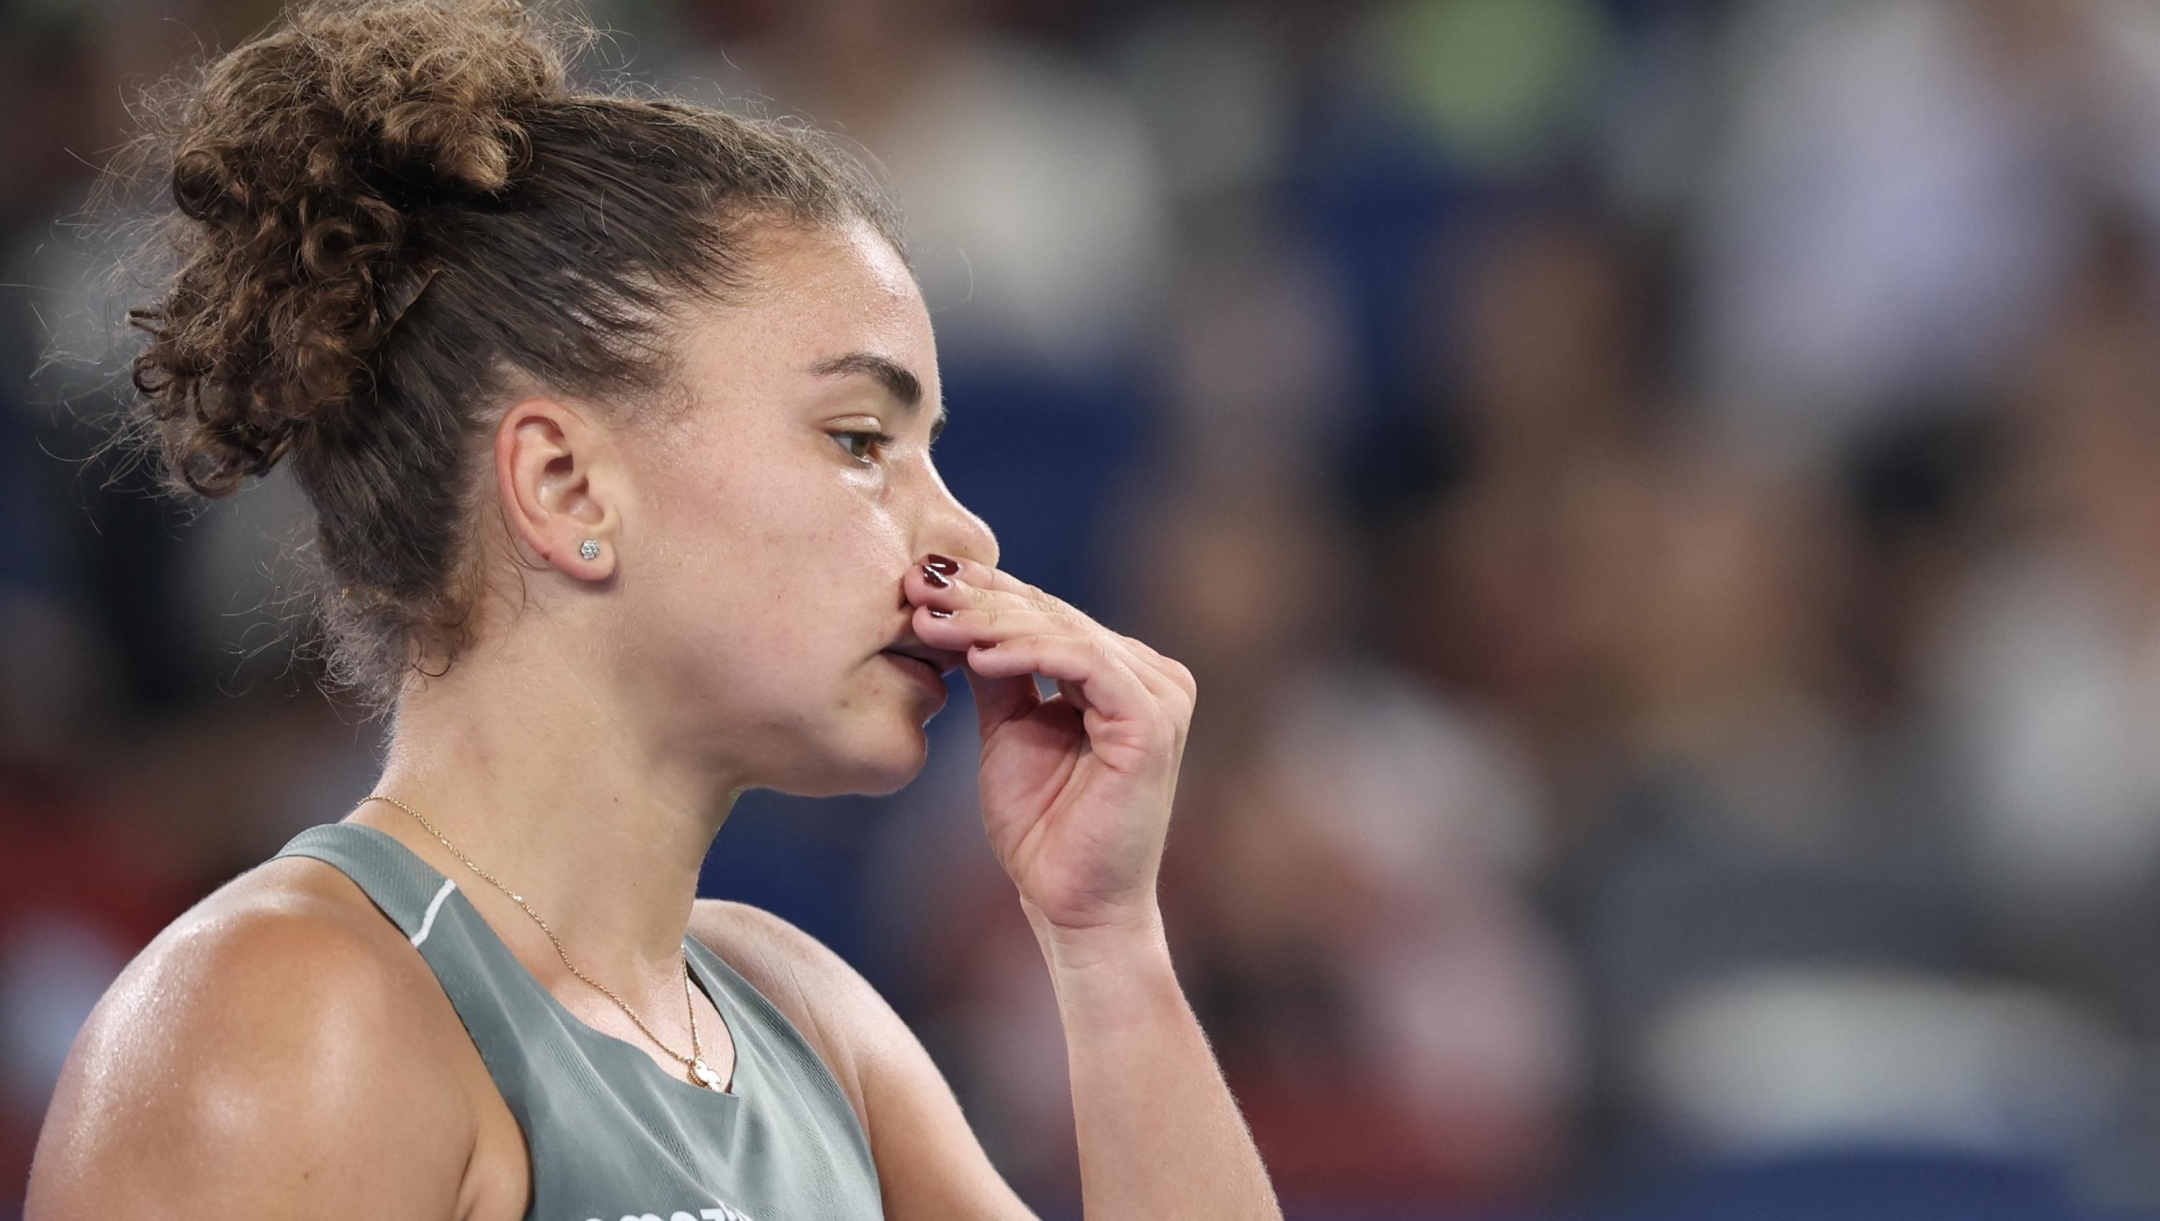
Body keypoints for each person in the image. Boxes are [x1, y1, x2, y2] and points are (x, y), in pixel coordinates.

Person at [24, 2, 1276, 1218]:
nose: (965, 534)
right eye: (858, 439)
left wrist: (1107, 944)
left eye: (930, 450)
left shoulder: (806, 1022)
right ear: (568, 486)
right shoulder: (289, 1019)